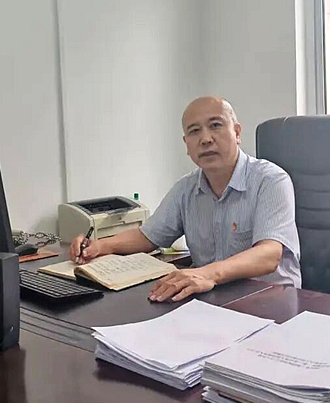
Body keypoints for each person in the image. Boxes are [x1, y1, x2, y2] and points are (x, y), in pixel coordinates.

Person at [70, 96, 301, 302]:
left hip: (271, 300)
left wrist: (206, 273)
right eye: (194, 131)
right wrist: (100, 246)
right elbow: (148, 236)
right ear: (186, 144)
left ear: (237, 133)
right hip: (211, 299)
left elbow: (269, 255)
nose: (206, 139)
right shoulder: (186, 188)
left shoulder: (270, 180)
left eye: (216, 125)